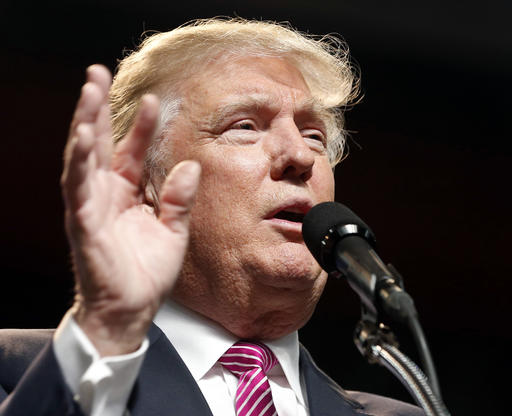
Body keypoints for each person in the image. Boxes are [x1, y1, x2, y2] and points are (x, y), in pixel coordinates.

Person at [0, 18, 424, 416]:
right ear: (145, 186)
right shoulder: (16, 375)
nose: (299, 156)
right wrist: (106, 333)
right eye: (244, 126)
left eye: (314, 136)